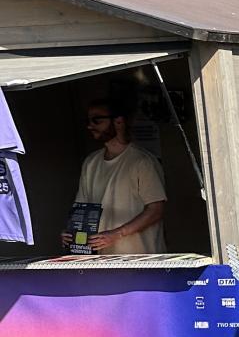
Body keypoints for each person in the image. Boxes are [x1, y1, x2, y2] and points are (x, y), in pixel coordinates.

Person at [65, 97, 165, 254]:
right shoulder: (91, 163)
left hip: (141, 260)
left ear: (118, 122)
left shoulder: (142, 161)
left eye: (97, 120)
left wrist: (117, 234)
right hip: (102, 262)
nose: (90, 126)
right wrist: (72, 233)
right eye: (88, 120)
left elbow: (155, 210)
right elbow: (81, 210)